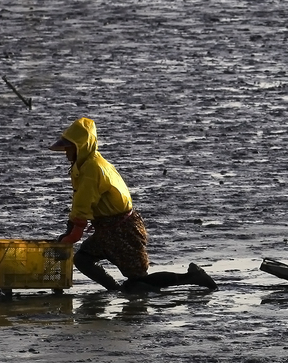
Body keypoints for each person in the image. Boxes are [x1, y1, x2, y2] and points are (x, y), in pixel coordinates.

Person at [49, 117, 216, 293]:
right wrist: (71, 228)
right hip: (106, 228)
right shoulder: (85, 164)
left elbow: (83, 203)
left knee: (138, 280)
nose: (66, 152)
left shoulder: (92, 169)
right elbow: (80, 202)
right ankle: (116, 290)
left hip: (122, 229)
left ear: (81, 147)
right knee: (83, 259)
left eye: (69, 148)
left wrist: (73, 232)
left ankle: (193, 277)